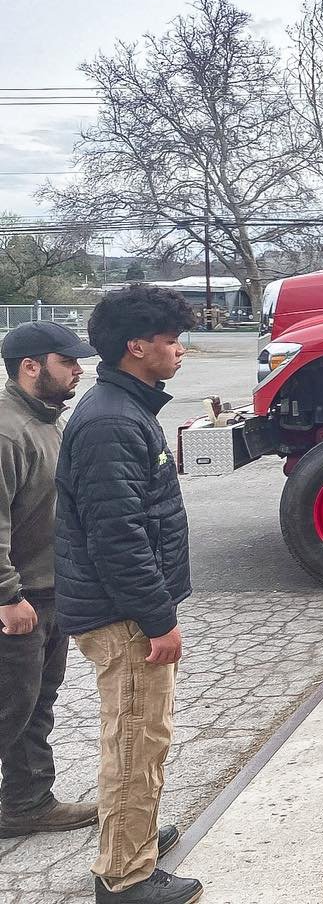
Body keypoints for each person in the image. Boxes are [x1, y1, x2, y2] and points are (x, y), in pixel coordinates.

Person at [54, 285, 201, 904]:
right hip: (125, 618)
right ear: (135, 348)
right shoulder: (112, 420)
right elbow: (118, 535)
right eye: (171, 342)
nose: (180, 352)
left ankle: (134, 834)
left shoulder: (123, 409)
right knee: (136, 738)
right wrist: (157, 617)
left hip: (129, 610)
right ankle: (125, 875)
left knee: (143, 734)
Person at [0, 322, 99, 841]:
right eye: (68, 361)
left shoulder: (44, 421)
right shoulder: (6, 429)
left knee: (36, 703)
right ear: (31, 367)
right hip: (17, 601)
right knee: (9, 709)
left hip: (47, 593)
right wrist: (7, 596)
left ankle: (26, 802)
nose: (79, 370)